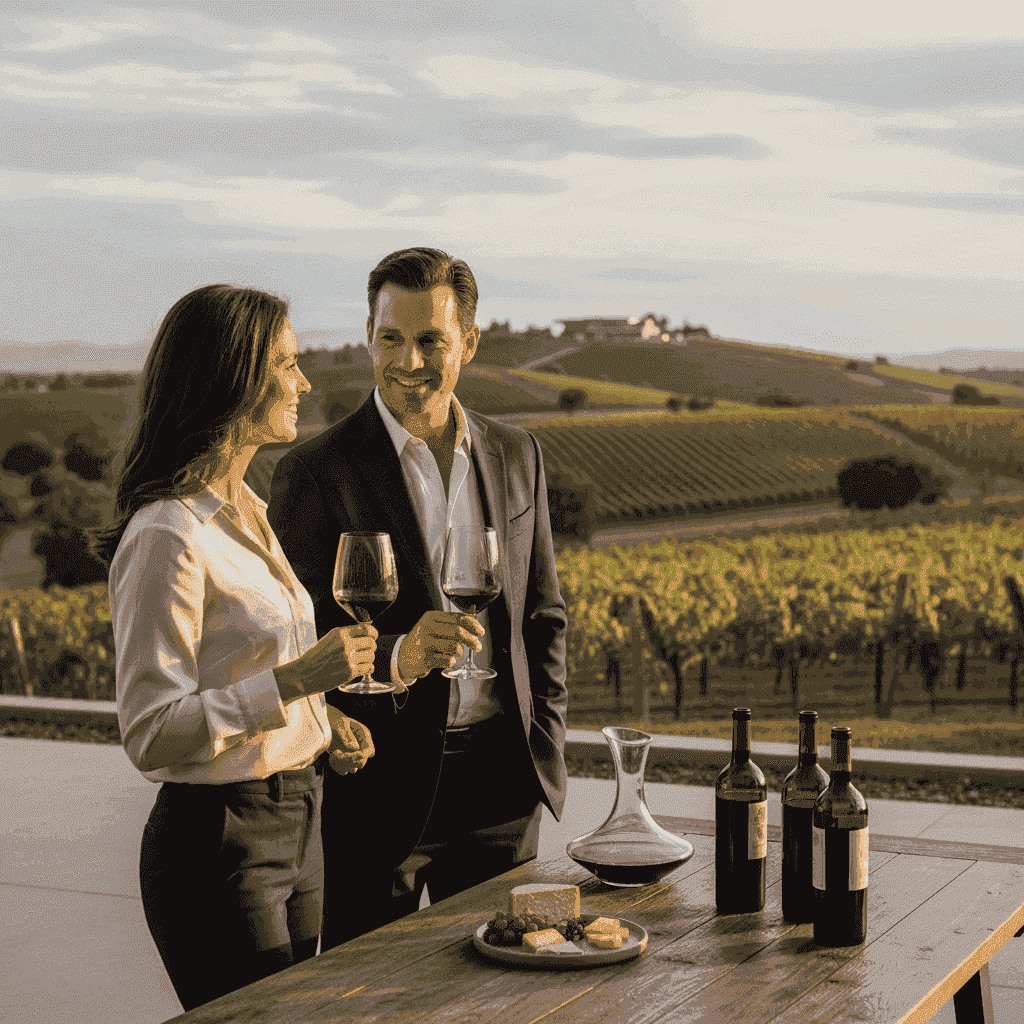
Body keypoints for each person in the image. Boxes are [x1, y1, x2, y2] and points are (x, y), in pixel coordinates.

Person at [267, 247, 568, 950]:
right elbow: (293, 630)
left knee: (501, 994)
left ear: (469, 340)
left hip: (501, 786)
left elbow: (543, 615)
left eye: (430, 339)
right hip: (377, 790)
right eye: (389, 339)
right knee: (371, 998)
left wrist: (542, 738)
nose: (408, 361)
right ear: (368, 337)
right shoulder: (314, 472)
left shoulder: (518, 454)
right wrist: (398, 653)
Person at [89, 284, 377, 1012]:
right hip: (223, 841)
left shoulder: (249, 509)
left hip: (301, 815)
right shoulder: (167, 535)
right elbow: (152, 733)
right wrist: (295, 681)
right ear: (234, 377)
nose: (304, 382)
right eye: (287, 362)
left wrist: (320, 718)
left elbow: (239, 665)